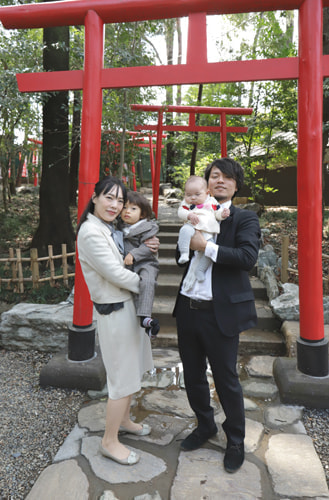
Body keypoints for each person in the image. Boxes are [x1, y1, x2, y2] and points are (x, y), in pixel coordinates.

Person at [173, 158, 261, 473]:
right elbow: (180, 259)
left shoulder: (245, 218)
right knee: (193, 375)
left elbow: (247, 258)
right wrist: (189, 236)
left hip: (219, 312)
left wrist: (206, 247)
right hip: (188, 308)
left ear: (236, 184)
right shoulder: (195, 211)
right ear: (206, 183)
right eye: (214, 176)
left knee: (226, 379)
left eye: (226, 177)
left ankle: (235, 440)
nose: (219, 180)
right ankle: (205, 425)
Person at [77, 177, 158, 466]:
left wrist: (146, 248)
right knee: (122, 378)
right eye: (109, 198)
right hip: (115, 311)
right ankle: (109, 441)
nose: (115, 205)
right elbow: (116, 274)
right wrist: (147, 284)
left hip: (127, 308)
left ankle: (124, 421)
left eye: (120, 200)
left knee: (132, 368)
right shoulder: (90, 232)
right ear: (95, 198)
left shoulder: (108, 228)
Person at [177, 175, 230, 290]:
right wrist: (189, 215)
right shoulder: (186, 204)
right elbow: (180, 212)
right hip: (192, 226)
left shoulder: (212, 202)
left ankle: (200, 269)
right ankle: (184, 253)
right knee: (184, 231)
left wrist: (223, 214)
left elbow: (218, 213)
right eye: (188, 195)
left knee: (210, 251)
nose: (193, 198)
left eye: (197, 194)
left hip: (207, 232)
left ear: (207, 193)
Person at [119, 190, 160, 338]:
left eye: (133, 208)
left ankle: (145, 317)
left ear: (142, 214)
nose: (127, 211)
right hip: (128, 266)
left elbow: (148, 246)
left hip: (146, 263)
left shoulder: (147, 227)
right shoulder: (118, 227)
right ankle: (147, 325)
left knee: (147, 282)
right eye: (124, 207)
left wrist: (133, 254)